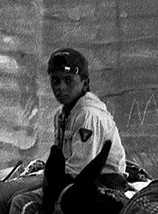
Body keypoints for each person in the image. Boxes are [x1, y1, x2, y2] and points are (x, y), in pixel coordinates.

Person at [44, 46, 125, 178]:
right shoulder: (61, 115)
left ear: (85, 83)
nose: (60, 87)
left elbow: (78, 169)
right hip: (72, 179)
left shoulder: (89, 115)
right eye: (55, 80)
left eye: (68, 80)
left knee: (19, 198)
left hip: (99, 181)